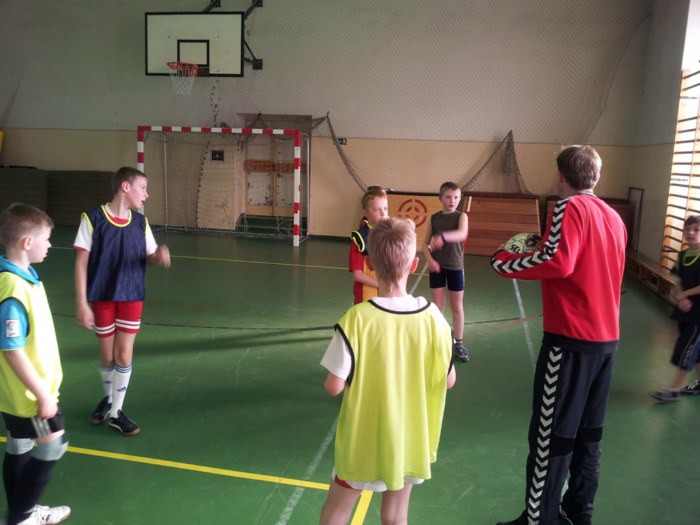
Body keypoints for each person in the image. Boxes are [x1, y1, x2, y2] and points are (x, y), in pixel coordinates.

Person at [490, 146, 626, 525]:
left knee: (549, 438)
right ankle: (578, 512)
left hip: (569, 342)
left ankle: (538, 519)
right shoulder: (613, 217)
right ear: (595, 176)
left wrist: (503, 262)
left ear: (560, 175)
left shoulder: (568, 207)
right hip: (605, 344)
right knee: (588, 435)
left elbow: (557, 260)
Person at [320, 217, 456, 525]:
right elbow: (449, 380)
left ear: (370, 263)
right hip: (411, 441)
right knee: (396, 516)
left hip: (363, 443)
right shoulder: (435, 319)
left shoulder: (356, 319)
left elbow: (333, 386)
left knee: (336, 512)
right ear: (413, 265)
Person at [74, 167, 171, 436]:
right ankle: (108, 399)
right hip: (102, 295)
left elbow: (150, 256)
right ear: (125, 187)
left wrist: (159, 256)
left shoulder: (141, 223)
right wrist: (82, 303)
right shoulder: (93, 218)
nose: (146, 194)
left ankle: (116, 412)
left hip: (131, 296)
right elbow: (81, 263)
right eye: (143, 188)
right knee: (107, 356)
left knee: (123, 354)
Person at [0, 203, 71, 525]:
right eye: (46, 238)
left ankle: (22, 513)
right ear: (27, 242)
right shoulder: (12, 288)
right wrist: (42, 395)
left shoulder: (23, 276)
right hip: (28, 395)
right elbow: (12, 349)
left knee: (19, 446)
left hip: (17, 393)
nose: (50, 244)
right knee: (53, 446)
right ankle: (21, 518)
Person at [650, 215, 700, 402]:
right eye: (688, 229)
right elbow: (677, 278)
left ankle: (675, 389)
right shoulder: (683, 255)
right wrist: (680, 297)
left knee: (686, 348)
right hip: (685, 309)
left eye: (696, 230)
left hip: (698, 313)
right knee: (696, 350)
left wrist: (684, 295)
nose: (691, 233)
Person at [423, 182, 470, 362]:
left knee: (457, 306)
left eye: (456, 197)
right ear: (440, 199)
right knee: (437, 307)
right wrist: (430, 260)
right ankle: (438, 338)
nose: (453, 200)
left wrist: (443, 236)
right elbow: (425, 244)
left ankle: (459, 343)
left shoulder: (461, 216)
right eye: (448, 197)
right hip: (437, 268)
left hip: (455, 267)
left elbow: (462, 234)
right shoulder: (434, 218)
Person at [349, 187, 389, 304]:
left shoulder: (392, 234)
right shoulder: (359, 239)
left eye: (385, 208)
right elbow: (358, 275)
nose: (383, 213)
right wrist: (381, 285)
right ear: (365, 213)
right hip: (366, 296)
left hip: (388, 295)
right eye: (377, 209)